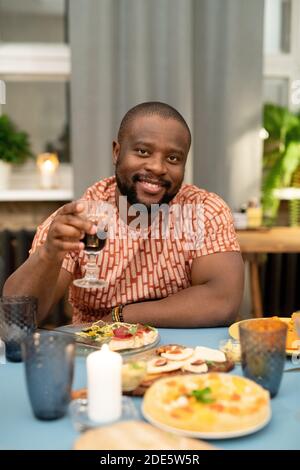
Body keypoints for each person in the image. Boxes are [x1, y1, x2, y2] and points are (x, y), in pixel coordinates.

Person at [3, 102, 244, 327]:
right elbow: (15, 320)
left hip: (180, 356)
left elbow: (222, 301)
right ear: (117, 152)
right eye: (142, 151)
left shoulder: (205, 210)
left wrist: (120, 316)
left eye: (173, 158)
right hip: (98, 351)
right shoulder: (81, 217)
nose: (158, 167)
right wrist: (48, 254)